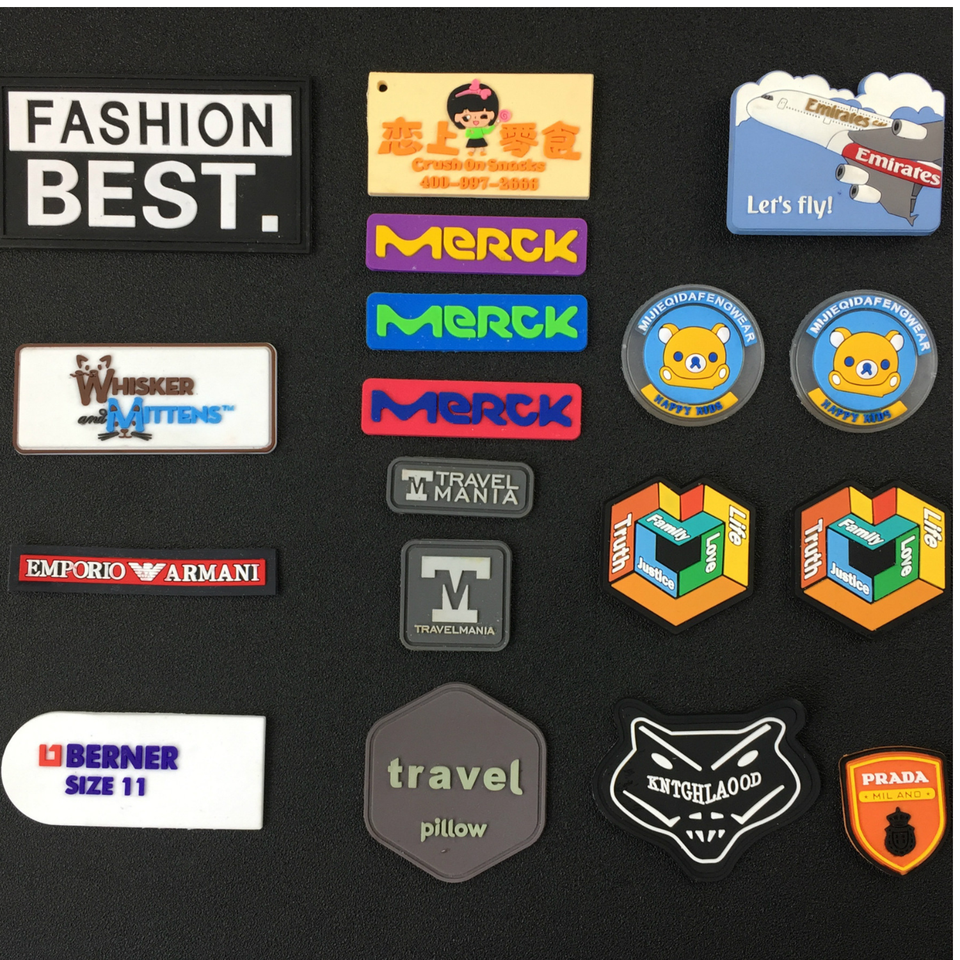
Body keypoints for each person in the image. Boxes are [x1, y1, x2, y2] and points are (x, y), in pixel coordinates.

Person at [447, 79, 500, 156]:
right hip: (473, 139)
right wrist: (469, 132)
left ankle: (481, 151)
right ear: (456, 118)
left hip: (479, 139)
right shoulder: (471, 129)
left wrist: (496, 124)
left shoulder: (479, 129)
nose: (475, 121)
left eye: (483, 116)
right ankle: (471, 151)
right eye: (467, 117)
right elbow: (467, 135)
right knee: (472, 146)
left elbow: (487, 131)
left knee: (481, 146)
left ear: (492, 115)